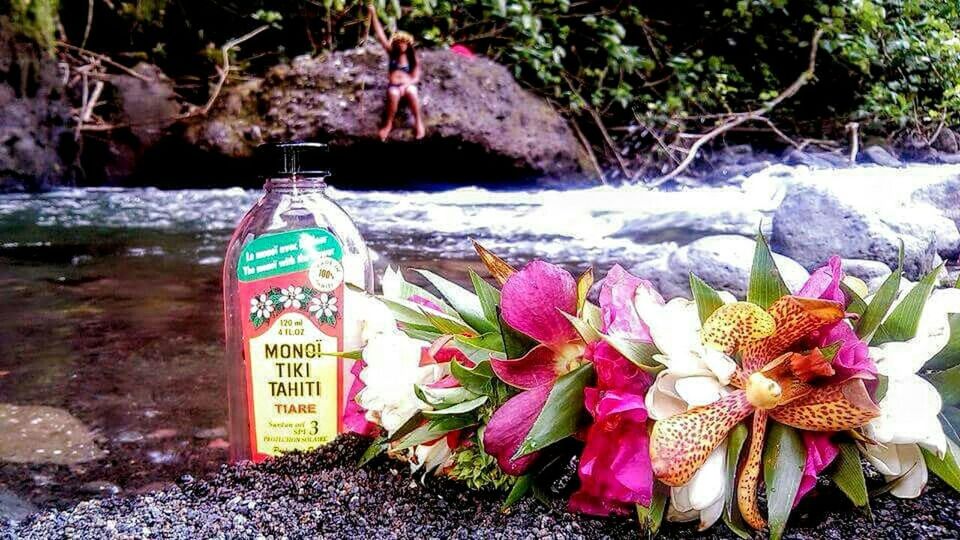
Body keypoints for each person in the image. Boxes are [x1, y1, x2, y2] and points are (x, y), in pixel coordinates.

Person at [367, 4, 425, 140]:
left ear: (408, 44)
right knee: (393, 94)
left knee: (412, 91)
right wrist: (373, 13)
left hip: (407, 85)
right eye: (398, 42)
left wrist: (407, 84)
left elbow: (416, 76)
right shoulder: (392, 53)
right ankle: (388, 124)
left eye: (404, 42)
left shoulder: (412, 58)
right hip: (394, 86)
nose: (401, 45)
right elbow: (381, 34)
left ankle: (418, 122)